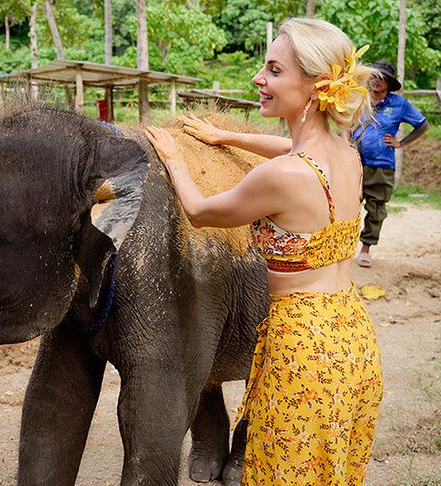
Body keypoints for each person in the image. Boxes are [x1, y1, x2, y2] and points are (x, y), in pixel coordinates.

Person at [146, 18, 383, 484]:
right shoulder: (347, 153)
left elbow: (198, 211)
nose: (259, 78)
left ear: (317, 86)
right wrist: (228, 137)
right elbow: (291, 148)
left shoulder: (280, 176)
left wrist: (174, 157)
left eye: (274, 70)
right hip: (352, 340)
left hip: (303, 352)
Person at [351, 60, 429, 268]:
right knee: (347, 203)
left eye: (382, 78)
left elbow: (423, 125)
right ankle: (342, 246)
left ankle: (366, 248)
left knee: (376, 207)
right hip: (354, 161)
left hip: (381, 164)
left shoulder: (399, 104)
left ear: (389, 82)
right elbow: (347, 123)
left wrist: (400, 143)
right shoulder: (360, 98)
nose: (376, 81)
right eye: (374, 76)